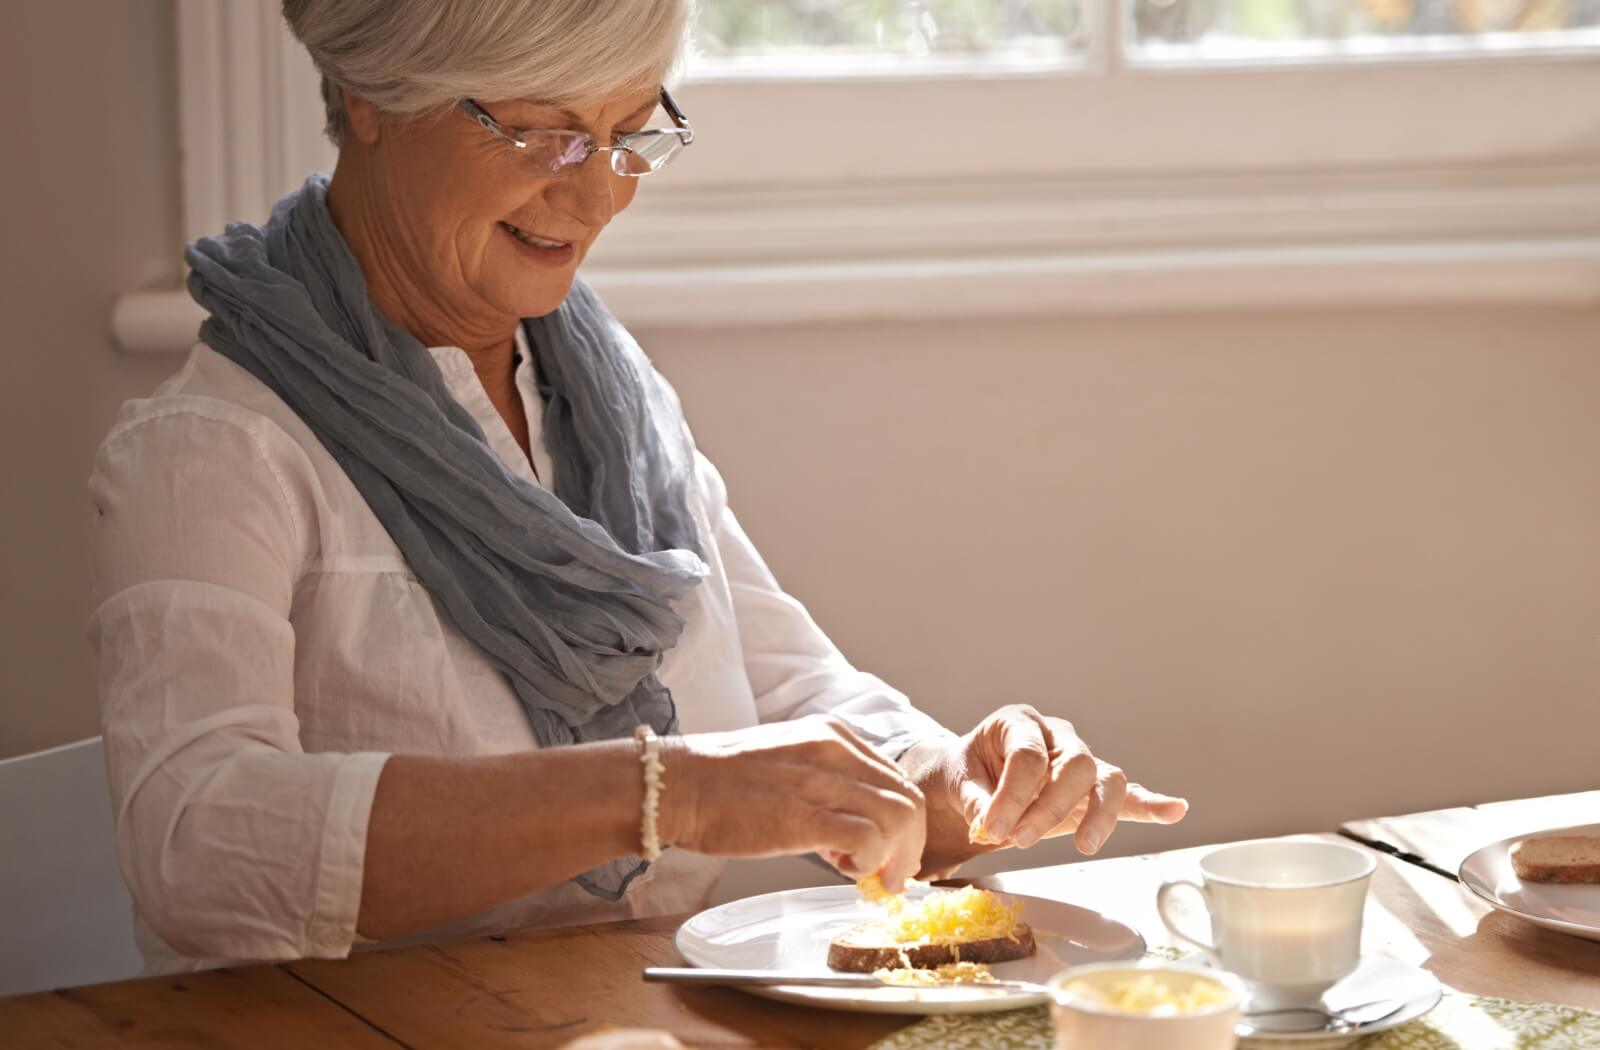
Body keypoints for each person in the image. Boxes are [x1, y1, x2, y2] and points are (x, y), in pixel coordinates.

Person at [87, 0, 1187, 974]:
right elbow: (196, 842)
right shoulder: (214, 448)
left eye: (628, 134)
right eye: (541, 131)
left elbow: (784, 689)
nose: (599, 190)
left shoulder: (603, 396)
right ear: (373, 94)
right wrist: (670, 793)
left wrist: (953, 781)